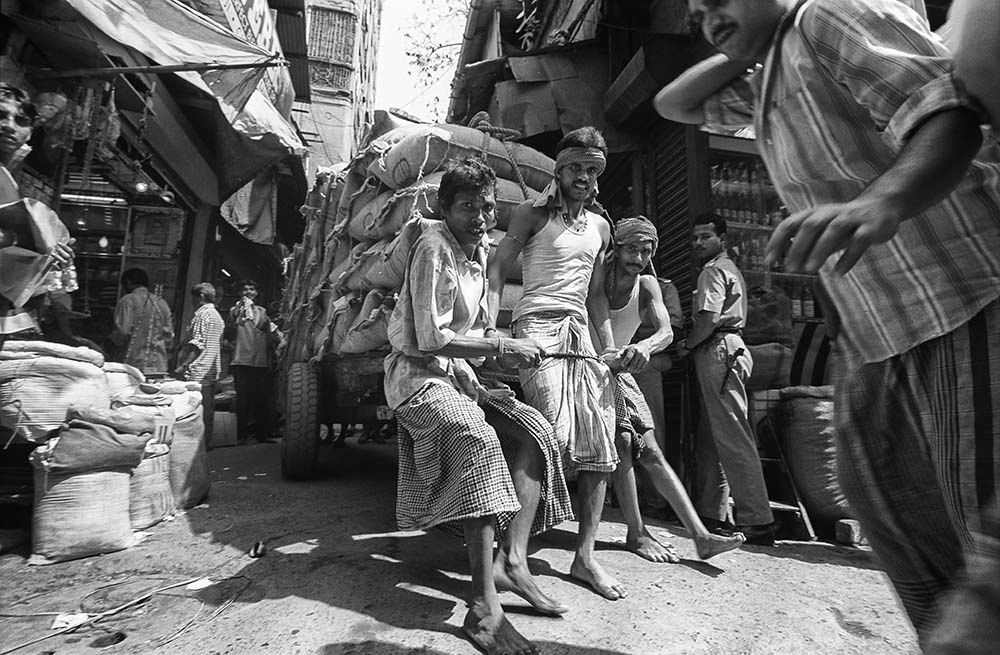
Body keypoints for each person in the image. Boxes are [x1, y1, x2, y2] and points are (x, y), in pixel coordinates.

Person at [656, 0, 1000, 640]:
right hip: (878, 339)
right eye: (696, 11)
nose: (707, 16)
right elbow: (673, 105)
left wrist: (882, 202)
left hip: (962, 299)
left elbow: (948, 113)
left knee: (979, 543)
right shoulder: (765, 80)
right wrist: (739, 41)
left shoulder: (828, 15)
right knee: (901, 530)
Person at [385, 157, 573, 655]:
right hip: (416, 378)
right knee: (478, 438)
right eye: (467, 206)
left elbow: (468, 332)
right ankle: (483, 607)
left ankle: (512, 562)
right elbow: (428, 339)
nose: (480, 215)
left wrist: (488, 354)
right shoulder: (432, 248)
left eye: (487, 206)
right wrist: (501, 347)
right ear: (445, 207)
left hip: (458, 376)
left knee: (534, 429)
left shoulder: (480, 251)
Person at [488, 126, 624, 601]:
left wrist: (608, 352)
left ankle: (585, 557)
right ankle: (512, 557)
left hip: (581, 334)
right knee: (548, 432)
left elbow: (598, 296)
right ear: (560, 170)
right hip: (538, 327)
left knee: (601, 438)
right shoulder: (531, 214)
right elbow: (497, 269)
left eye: (593, 170)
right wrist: (492, 329)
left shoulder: (602, 227)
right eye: (577, 169)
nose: (585, 177)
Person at [600, 216, 746, 562]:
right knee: (622, 444)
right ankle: (637, 533)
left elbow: (665, 331)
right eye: (632, 249)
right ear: (617, 247)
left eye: (646, 251)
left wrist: (645, 348)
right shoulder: (599, 277)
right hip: (595, 366)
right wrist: (613, 354)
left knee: (650, 451)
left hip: (621, 371)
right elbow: (600, 319)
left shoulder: (650, 284)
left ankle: (701, 536)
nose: (638, 258)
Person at [675, 214, 773, 545]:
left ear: (722, 240)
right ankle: (711, 512)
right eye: (695, 237)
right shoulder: (728, 268)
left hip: (718, 348)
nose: (699, 243)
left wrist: (687, 346)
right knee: (712, 435)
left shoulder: (713, 270)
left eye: (706, 237)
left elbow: (707, 319)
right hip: (726, 349)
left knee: (732, 435)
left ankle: (758, 520)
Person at [175, 283, 225, 446]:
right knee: (207, 408)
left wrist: (183, 365)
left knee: (194, 409)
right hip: (210, 369)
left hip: (197, 369)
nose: (191, 301)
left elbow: (197, 344)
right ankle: (205, 442)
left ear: (200, 297)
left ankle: (195, 443)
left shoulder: (203, 315)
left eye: (193, 297)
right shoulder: (217, 316)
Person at [228, 279, 277, 444]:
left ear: (256, 292)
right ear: (240, 293)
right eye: (245, 289)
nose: (248, 292)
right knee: (243, 400)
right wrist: (244, 305)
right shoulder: (236, 310)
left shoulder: (262, 312)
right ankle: (241, 435)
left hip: (259, 362)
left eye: (251, 289)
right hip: (241, 361)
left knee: (261, 399)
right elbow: (236, 317)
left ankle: (261, 434)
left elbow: (271, 330)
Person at [112, 268, 173, 375]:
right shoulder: (162, 302)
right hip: (159, 364)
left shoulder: (128, 300)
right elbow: (169, 336)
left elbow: (122, 332)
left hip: (133, 364)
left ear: (128, 282)